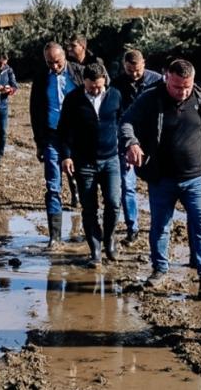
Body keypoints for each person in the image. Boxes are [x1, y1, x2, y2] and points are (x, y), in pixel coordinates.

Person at [120, 59, 201, 297]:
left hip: (197, 178)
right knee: (161, 226)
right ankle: (159, 269)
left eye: (187, 86)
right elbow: (126, 122)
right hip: (162, 178)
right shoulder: (150, 98)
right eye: (177, 87)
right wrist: (132, 143)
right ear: (167, 78)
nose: (182, 92)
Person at [57, 62, 124, 268]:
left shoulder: (114, 96)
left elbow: (123, 122)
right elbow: (64, 131)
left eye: (99, 87)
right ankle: (95, 250)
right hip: (84, 162)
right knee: (89, 208)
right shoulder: (73, 99)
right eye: (91, 87)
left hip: (111, 159)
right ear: (84, 81)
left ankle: (109, 238)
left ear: (105, 81)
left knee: (113, 202)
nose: (96, 90)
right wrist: (66, 156)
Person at [30, 42, 84, 247]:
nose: (54, 66)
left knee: (84, 181)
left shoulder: (78, 73)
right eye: (49, 62)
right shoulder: (42, 77)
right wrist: (39, 142)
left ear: (65, 58)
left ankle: (90, 232)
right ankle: (55, 237)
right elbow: (35, 110)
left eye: (57, 62)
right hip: (51, 136)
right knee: (53, 185)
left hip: (78, 137)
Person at [111, 49, 163, 244]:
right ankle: (132, 228)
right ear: (124, 66)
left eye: (137, 70)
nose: (133, 74)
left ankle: (158, 225)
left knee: (157, 186)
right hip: (127, 140)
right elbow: (116, 116)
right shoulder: (116, 85)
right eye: (129, 70)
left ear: (144, 64)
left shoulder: (158, 81)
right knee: (127, 185)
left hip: (153, 142)